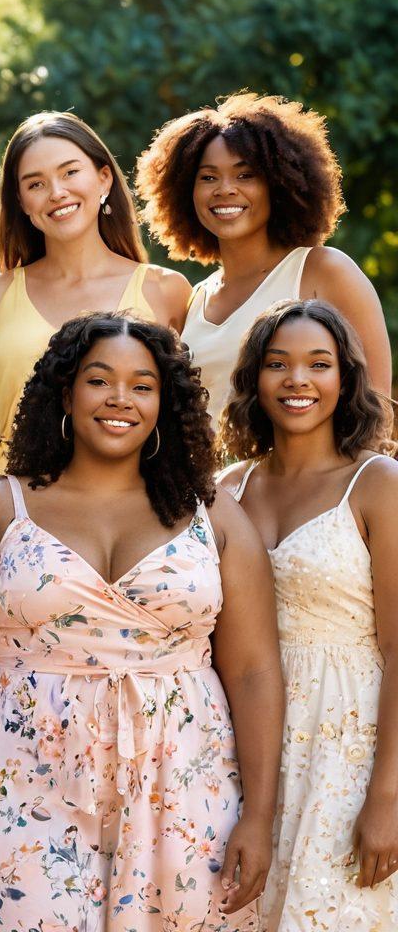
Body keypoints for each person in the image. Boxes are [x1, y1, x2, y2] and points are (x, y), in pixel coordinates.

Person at [0, 312, 284, 932]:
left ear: (165, 403)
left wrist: (259, 815)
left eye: (143, 385)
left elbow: (252, 670)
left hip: (183, 780)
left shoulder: (213, 513)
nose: (121, 399)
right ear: (65, 392)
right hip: (21, 777)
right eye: (99, 380)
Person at [218, 299, 398, 929]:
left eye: (319, 364)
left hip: (349, 742)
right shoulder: (223, 490)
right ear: (253, 380)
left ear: (346, 379)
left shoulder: (378, 482)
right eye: (278, 364)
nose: (298, 380)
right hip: (237, 740)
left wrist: (388, 795)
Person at [0, 111, 191, 482]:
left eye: (69, 172)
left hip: (131, 497)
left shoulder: (167, 291)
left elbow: (183, 413)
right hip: (16, 493)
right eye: (35, 184)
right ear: (21, 202)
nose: (57, 193)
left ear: (103, 178)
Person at [135, 93, 390, 430]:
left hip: (306, 481)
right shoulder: (195, 299)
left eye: (245, 176)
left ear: (280, 183)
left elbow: (378, 410)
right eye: (208, 177)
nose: (225, 189)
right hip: (211, 483)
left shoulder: (323, 271)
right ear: (185, 192)